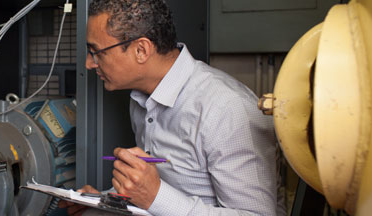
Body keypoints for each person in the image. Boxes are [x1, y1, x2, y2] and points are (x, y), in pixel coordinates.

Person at [59, 0, 283, 215]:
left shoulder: (228, 109)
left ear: (141, 50)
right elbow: (159, 189)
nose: (89, 63)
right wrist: (106, 201)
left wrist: (156, 197)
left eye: (97, 52)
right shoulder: (140, 99)